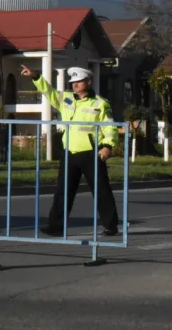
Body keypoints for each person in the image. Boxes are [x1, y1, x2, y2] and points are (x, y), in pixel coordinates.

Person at [20, 64, 119, 237]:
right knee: (63, 191)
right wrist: (35, 76)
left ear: (88, 81)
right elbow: (48, 92)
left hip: (92, 152)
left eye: (78, 81)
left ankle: (110, 225)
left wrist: (107, 146)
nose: (74, 84)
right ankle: (56, 226)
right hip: (70, 152)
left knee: (101, 190)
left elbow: (110, 127)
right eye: (73, 82)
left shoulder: (100, 103)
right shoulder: (66, 99)